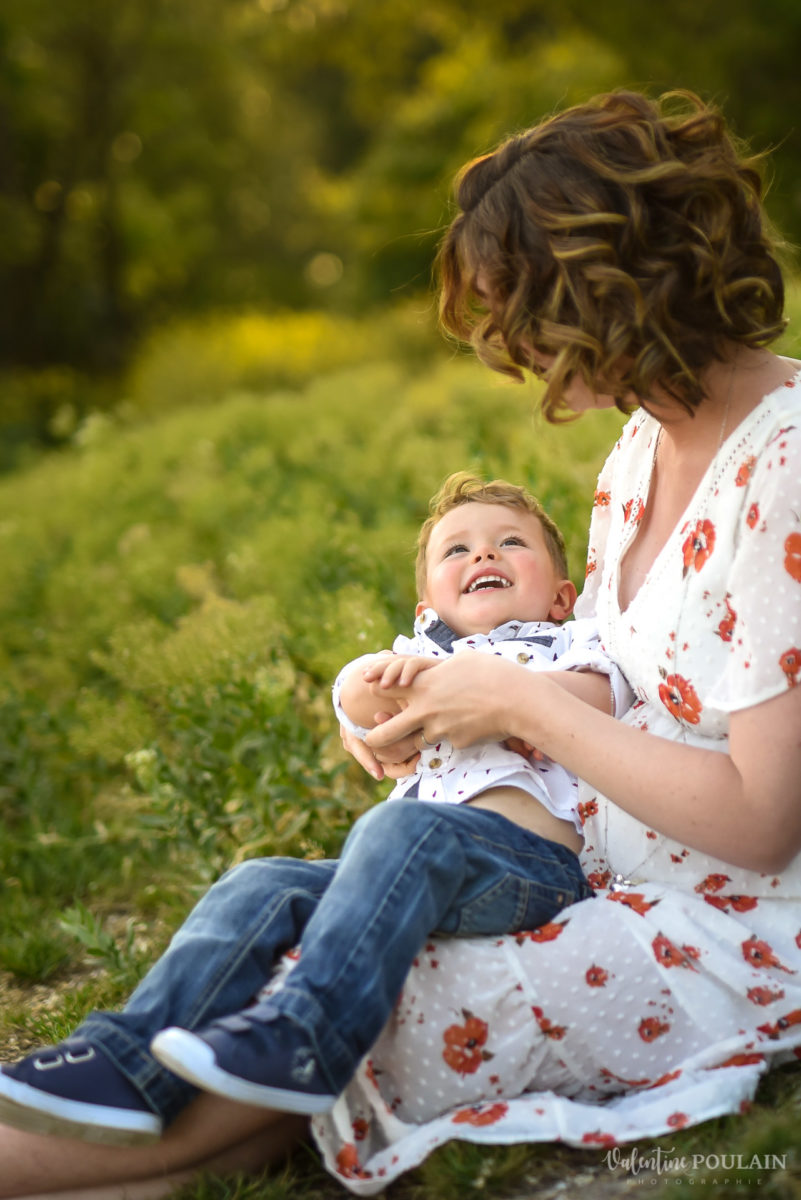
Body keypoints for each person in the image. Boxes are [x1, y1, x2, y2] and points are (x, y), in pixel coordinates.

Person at [1, 87, 801, 1199]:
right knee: (297, 947)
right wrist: (417, 703)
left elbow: (762, 823)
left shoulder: (786, 463)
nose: (512, 349)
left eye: (524, 309)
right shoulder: (638, 452)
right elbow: (579, 665)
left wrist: (518, 709)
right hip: (577, 874)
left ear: (610, 284)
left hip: (721, 925)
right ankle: (114, 1126)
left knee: (366, 1008)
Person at [0, 470, 622, 1144]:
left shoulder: (568, 643)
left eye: (509, 543)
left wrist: (506, 692)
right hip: (411, 867)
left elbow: (598, 700)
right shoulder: (420, 659)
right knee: (259, 881)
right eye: (456, 550)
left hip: (530, 871)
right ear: (424, 612)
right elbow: (360, 700)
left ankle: (305, 1034)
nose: (483, 556)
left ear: (562, 597)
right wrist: (355, 684)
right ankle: (128, 1062)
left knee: (399, 826)